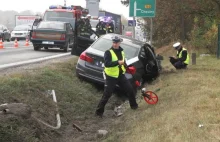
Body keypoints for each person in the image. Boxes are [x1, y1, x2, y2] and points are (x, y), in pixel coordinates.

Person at [95, 35, 138, 118]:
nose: (115, 44)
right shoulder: (108, 52)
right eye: (114, 42)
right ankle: (98, 113)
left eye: (116, 43)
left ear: (119, 43)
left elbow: (123, 62)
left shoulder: (121, 51)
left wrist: (125, 64)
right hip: (111, 76)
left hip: (120, 75)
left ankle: (134, 106)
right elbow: (107, 64)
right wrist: (118, 62)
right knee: (107, 94)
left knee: (130, 89)